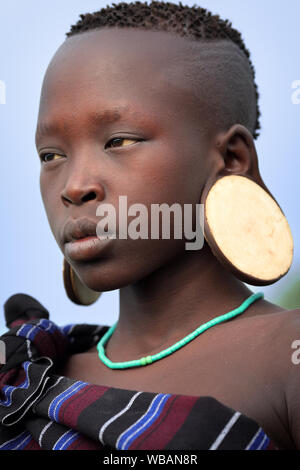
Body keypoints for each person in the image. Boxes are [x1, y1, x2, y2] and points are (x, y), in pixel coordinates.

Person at [0, 0, 298, 451]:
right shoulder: (28, 379)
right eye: (52, 156)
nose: (75, 186)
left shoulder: (286, 357)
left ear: (232, 160)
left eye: (119, 141)